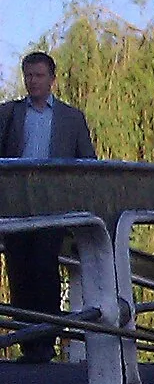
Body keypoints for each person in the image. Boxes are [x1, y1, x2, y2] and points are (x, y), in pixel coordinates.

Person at [2, 51, 97, 362]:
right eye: (28, 75)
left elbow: (88, 164)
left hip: (52, 208)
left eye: (39, 76)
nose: (33, 82)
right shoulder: (10, 115)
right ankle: (28, 343)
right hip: (17, 207)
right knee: (19, 273)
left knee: (44, 270)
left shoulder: (71, 119)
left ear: (52, 80)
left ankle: (46, 340)